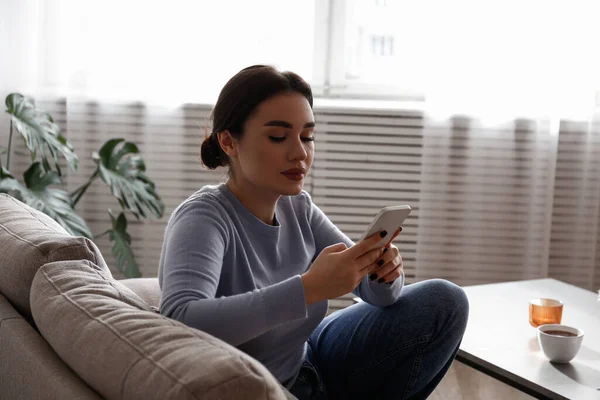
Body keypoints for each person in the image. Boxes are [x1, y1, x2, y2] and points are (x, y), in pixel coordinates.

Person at [158, 65, 469, 400]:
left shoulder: (299, 208)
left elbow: (376, 295)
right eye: (278, 137)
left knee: (444, 300)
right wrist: (307, 288)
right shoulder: (203, 218)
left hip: (309, 358)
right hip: (273, 386)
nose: (300, 153)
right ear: (229, 141)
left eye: (307, 136)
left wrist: (383, 272)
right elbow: (181, 318)